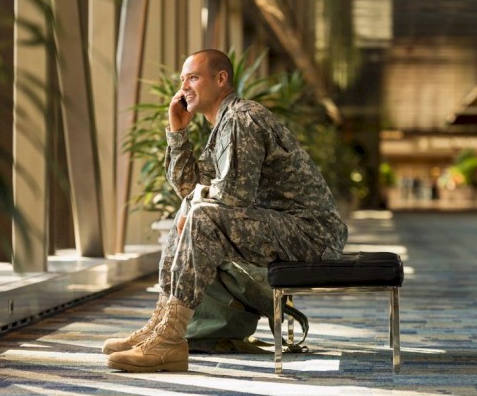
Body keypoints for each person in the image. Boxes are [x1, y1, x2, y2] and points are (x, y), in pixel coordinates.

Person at [103, 49, 348, 372]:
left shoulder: (242, 118)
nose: (184, 87)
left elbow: (234, 196)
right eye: (182, 79)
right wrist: (177, 132)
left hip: (311, 234)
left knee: (200, 214)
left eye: (193, 77)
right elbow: (189, 187)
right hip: (284, 228)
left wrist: (195, 203)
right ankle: (161, 327)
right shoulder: (223, 126)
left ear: (221, 80)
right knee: (190, 209)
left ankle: (170, 340)